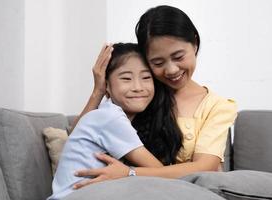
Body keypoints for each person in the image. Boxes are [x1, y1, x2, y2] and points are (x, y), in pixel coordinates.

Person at [73, 5, 238, 189]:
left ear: (195, 43)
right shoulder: (142, 92)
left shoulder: (217, 106)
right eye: (157, 62)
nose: (171, 70)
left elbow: (204, 168)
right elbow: (76, 140)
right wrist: (98, 90)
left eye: (178, 56)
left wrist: (129, 173)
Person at [48, 43, 177, 200]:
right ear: (107, 85)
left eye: (146, 77)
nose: (138, 87)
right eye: (126, 78)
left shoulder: (111, 116)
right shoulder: (110, 118)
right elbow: (159, 171)